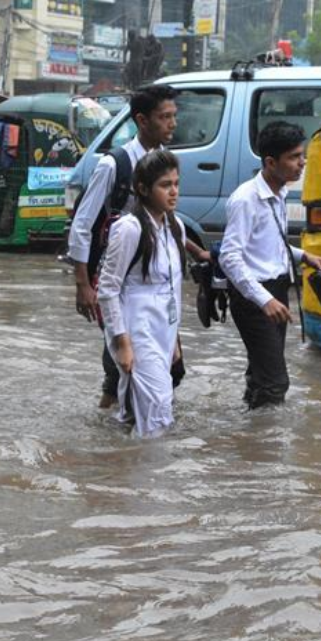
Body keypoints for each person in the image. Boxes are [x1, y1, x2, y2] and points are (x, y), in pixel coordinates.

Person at [68, 85, 207, 408]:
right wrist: (82, 284)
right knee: (121, 362)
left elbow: (162, 223)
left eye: (174, 116)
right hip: (119, 279)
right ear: (142, 120)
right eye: (165, 117)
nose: (172, 124)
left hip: (154, 283)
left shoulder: (162, 163)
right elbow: (82, 224)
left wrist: (195, 251)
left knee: (169, 365)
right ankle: (114, 432)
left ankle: (125, 423)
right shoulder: (113, 165)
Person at [219, 121, 321, 409]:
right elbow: (229, 256)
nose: (301, 163)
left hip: (275, 291)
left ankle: (249, 433)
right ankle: (262, 445)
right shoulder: (246, 199)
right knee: (276, 382)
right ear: (270, 162)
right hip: (255, 297)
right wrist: (264, 300)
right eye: (294, 157)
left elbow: (269, 244)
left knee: (261, 373)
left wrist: (303, 256)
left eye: (302, 155)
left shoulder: (278, 192)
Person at [97, 150, 185, 438]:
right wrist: (122, 342)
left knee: (135, 411)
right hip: (137, 330)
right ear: (143, 189)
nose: (173, 191)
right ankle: (152, 475)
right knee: (158, 411)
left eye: (176, 183)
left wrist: (175, 340)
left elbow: (174, 287)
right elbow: (108, 289)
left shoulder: (175, 226)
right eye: (165, 185)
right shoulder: (129, 229)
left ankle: (118, 466)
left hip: (164, 330)